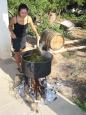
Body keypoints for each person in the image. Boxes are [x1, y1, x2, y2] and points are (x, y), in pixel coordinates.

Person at [9, 3, 40, 72]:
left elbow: (33, 27)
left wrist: (37, 34)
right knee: (17, 53)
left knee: (22, 51)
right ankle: (19, 67)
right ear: (19, 12)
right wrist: (12, 33)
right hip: (16, 38)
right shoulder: (15, 19)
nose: (24, 14)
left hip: (23, 37)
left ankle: (21, 62)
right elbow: (10, 26)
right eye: (22, 13)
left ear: (27, 12)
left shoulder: (29, 18)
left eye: (25, 12)